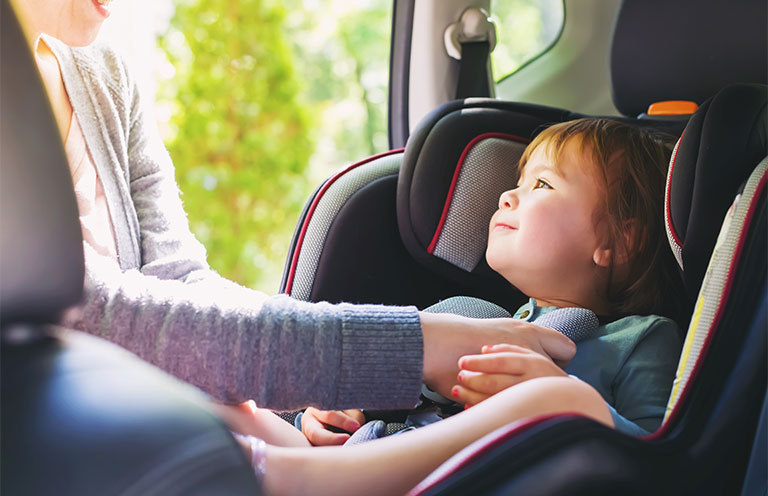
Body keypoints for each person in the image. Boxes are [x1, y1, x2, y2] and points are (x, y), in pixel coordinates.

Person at [11, 0, 574, 413]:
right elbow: (87, 312)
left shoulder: (104, 74)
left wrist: (302, 399)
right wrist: (417, 343)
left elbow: (177, 280)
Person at [221, 117, 685, 495]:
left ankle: (292, 479)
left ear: (619, 241)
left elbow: (653, 460)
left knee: (563, 398)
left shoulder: (641, 338)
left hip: (469, 479)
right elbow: (377, 409)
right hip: (362, 460)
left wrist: (558, 400)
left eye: (542, 185)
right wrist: (326, 417)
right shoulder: (467, 317)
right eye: (517, 181)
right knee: (230, 409)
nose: (508, 195)